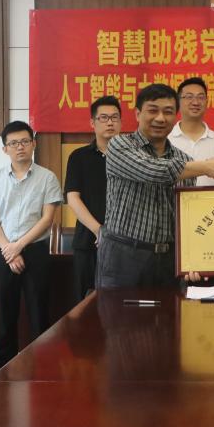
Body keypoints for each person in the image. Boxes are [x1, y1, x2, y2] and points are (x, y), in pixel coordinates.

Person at [96, 83, 214, 288]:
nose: (160, 118)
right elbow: (154, 171)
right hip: (123, 255)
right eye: (152, 110)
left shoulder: (184, 160)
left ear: (175, 116)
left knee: (170, 310)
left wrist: (193, 258)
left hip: (169, 259)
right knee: (117, 310)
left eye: (168, 112)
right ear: (138, 114)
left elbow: (186, 216)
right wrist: (206, 167)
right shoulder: (120, 145)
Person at [0, 121, 62, 368]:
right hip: (3, 251)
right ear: (5, 149)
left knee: (39, 310)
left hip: (35, 251)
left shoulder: (47, 178)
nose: (20, 147)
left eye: (25, 141)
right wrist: (9, 249)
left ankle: (42, 363)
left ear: (33, 144)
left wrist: (19, 246)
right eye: (13, 143)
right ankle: (4, 364)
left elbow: (47, 219)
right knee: (6, 310)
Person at [65, 95, 121, 299]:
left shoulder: (132, 158)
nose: (110, 122)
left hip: (123, 243)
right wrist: (100, 231)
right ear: (92, 123)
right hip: (87, 242)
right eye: (104, 118)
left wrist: (112, 233)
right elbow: (73, 198)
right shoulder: (78, 157)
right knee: (84, 302)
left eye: (114, 117)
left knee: (119, 303)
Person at [168, 77, 214, 186]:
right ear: (178, 102)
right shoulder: (166, 139)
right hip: (172, 198)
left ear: (207, 102)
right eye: (189, 97)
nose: (195, 102)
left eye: (201, 97)